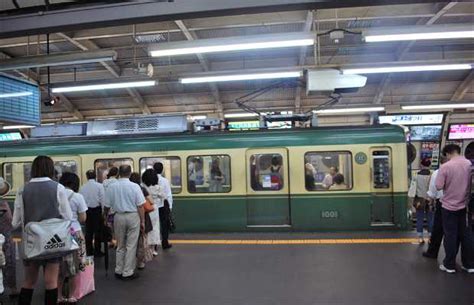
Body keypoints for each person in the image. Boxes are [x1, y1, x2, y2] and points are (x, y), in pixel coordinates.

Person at [12, 155, 73, 305]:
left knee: (29, 281)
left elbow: (15, 222)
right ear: (51, 169)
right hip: (53, 241)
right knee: (51, 282)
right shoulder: (58, 188)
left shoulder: (22, 190)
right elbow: (68, 216)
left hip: (31, 242)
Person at [436, 144, 473, 274]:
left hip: (449, 207)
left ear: (447, 154)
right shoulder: (469, 165)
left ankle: (449, 265)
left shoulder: (445, 167)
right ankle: (469, 264)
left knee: (450, 235)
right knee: (466, 235)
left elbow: (439, 186)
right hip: (465, 206)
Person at [104, 165, 145, 280]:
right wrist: (142, 221)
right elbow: (140, 206)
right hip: (133, 216)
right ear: (130, 173)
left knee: (120, 244)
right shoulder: (135, 186)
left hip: (118, 216)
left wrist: (105, 217)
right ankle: (128, 271)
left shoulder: (112, 187)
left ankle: (118, 270)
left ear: (119, 173)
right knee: (131, 245)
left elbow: (106, 206)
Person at [58, 172, 88, 303]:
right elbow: (82, 218)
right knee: (75, 265)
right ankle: (70, 295)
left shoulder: (55, 195)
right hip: (74, 232)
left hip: (58, 233)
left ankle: (58, 296)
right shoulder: (77, 196)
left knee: (57, 266)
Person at [423, 156, 448, 259]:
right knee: (453, 232)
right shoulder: (464, 169)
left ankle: (432, 252)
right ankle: (451, 257)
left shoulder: (438, 172)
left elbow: (433, 191)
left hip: (442, 202)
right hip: (459, 203)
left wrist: (429, 200)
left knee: (438, 229)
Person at [129, 173, 153, 270]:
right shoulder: (142, 189)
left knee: (130, 242)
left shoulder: (128, 188)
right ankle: (140, 262)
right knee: (142, 240)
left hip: (131, 215)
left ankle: (130, 262)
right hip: (142, 217)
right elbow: (151, 201)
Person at [79, 170, 105, 257]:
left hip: (87, 211)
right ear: (95, 176)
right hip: (97, 211)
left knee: (88, 232)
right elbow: (102, 200)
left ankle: (89, 251)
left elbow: (81, 201)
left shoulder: (82, 187)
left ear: (87, 177)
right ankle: (97, 251)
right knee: (97, 231)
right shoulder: (100, 186)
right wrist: (104, 212)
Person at [0, 177, 18, 298]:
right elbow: (10, 221)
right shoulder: (3, 204)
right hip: (5, 238)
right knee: (8, 261)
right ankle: (12, 288)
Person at [142, 169, 165, 255]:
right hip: (154, 209)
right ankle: (153, 249)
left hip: (145, 208)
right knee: (154, 228)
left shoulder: (143, 186)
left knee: (146, 228)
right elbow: (163, 196)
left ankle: (145, 247)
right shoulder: (158, 187)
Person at [153, 162, 173, 250]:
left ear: (154, 169)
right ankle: (165, 242)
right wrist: (170, 206)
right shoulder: (165, 181)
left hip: (152, 206)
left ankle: (154, 245)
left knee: (154, 225)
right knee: (164, 224)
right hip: (162, 205)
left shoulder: (149, 180)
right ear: (162, 170)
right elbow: (168, 194)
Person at [413, 158, 433, 244]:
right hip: (430, 199)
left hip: (419, 200)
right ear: (429, 165)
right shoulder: (432, 175)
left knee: (420, 218)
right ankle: (430, 238)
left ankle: (420, 238)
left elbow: (412, 189)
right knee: (430, 219)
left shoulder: (416, 176)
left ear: (421, 165)